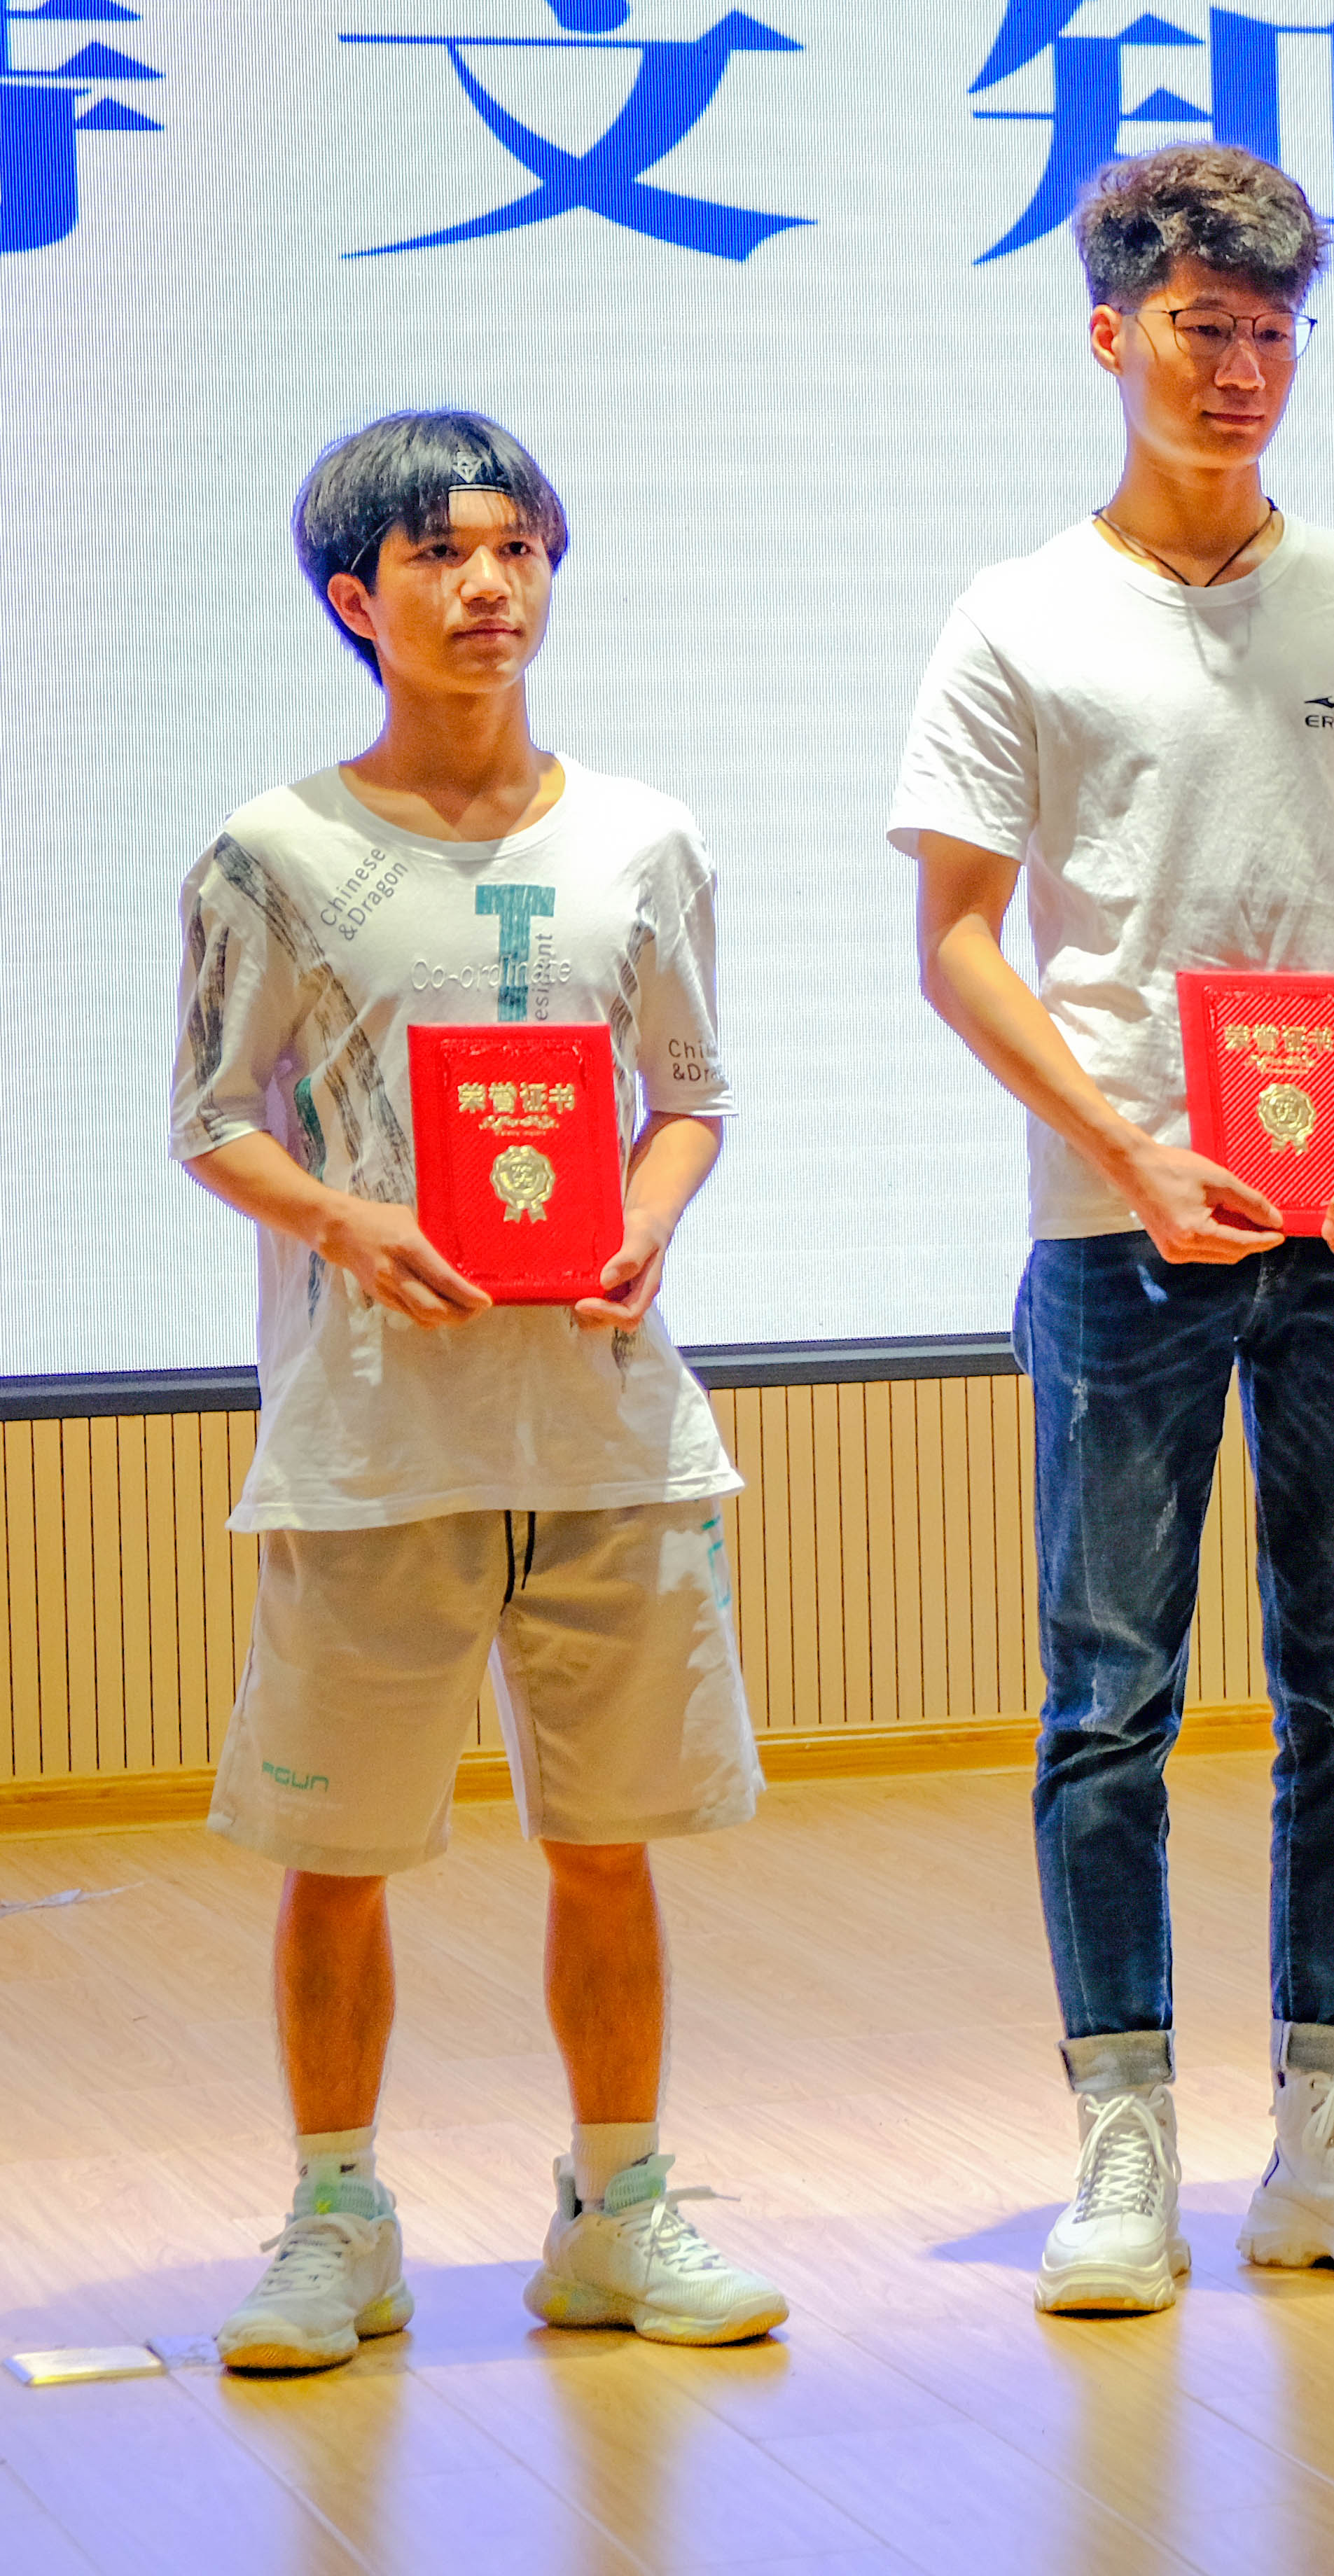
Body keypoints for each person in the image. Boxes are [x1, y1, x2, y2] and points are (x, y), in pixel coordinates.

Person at [891, 144, 1334, 2311]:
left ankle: (1332, 2125)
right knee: (1109, 1701)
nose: (1240, 369)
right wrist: (1134, 1148)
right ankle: (1124, 2133)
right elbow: (957, 939)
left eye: (1271, 332)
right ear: (1110, 334)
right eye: (1198, 329)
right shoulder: (1019, 614)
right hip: (1121, 1228)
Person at [180, 412, 784, 2372]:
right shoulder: (275, 854)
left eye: (517, 547)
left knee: (607, 1842)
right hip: (371, 1436)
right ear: (354, 599)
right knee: (339, 1854)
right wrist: (344, 1222)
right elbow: (212, 1116)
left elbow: (688, 1095)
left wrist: (648, 1218)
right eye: (438, 554)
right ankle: (336, 2219)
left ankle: (620, 2206)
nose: (488, 586)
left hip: (603, 1418)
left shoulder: (642, 839)